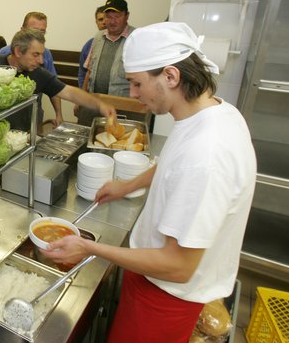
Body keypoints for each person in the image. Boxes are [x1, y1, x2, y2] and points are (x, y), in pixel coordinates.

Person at [41, 22, 256, 343]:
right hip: (152, 277)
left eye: (137, 83)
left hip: (167, 294)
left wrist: (87, 247)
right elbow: (172, 164)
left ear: (171, 76)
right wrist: (126, 186)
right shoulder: (212, 112)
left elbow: (178, 265)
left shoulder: (207, 155)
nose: (133, 94)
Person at [0, 29, 115, 131]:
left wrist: (100, 105)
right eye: (35, 54)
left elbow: (70, 93)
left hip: (21, 141)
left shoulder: (38, 74)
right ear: (18, 51)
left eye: (42, 54)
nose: (41, 60)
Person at [77, 0, 136, 125]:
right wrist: (80, 100)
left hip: (122, 110)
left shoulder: (136, 38)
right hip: (95, 105)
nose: (112, 21)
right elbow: (89, 71)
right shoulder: (98, 36)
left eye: (117, 16)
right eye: (109, 17)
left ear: (127, 16)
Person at [0, 12, 63, 126]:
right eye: (33, 30)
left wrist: (59, 114)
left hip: (33, 114)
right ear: (22, 30)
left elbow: (54, 88)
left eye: (42, 32)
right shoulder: (4, 53)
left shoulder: (46, 54)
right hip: (5, 116)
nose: (37, 35)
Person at [77, 5, 106, 89]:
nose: (104, 22)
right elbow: (82, 73)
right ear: (96, 22)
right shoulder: (89, 45)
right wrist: (82, 94)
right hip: (92, 94)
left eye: (106, 18)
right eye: (100, 19)